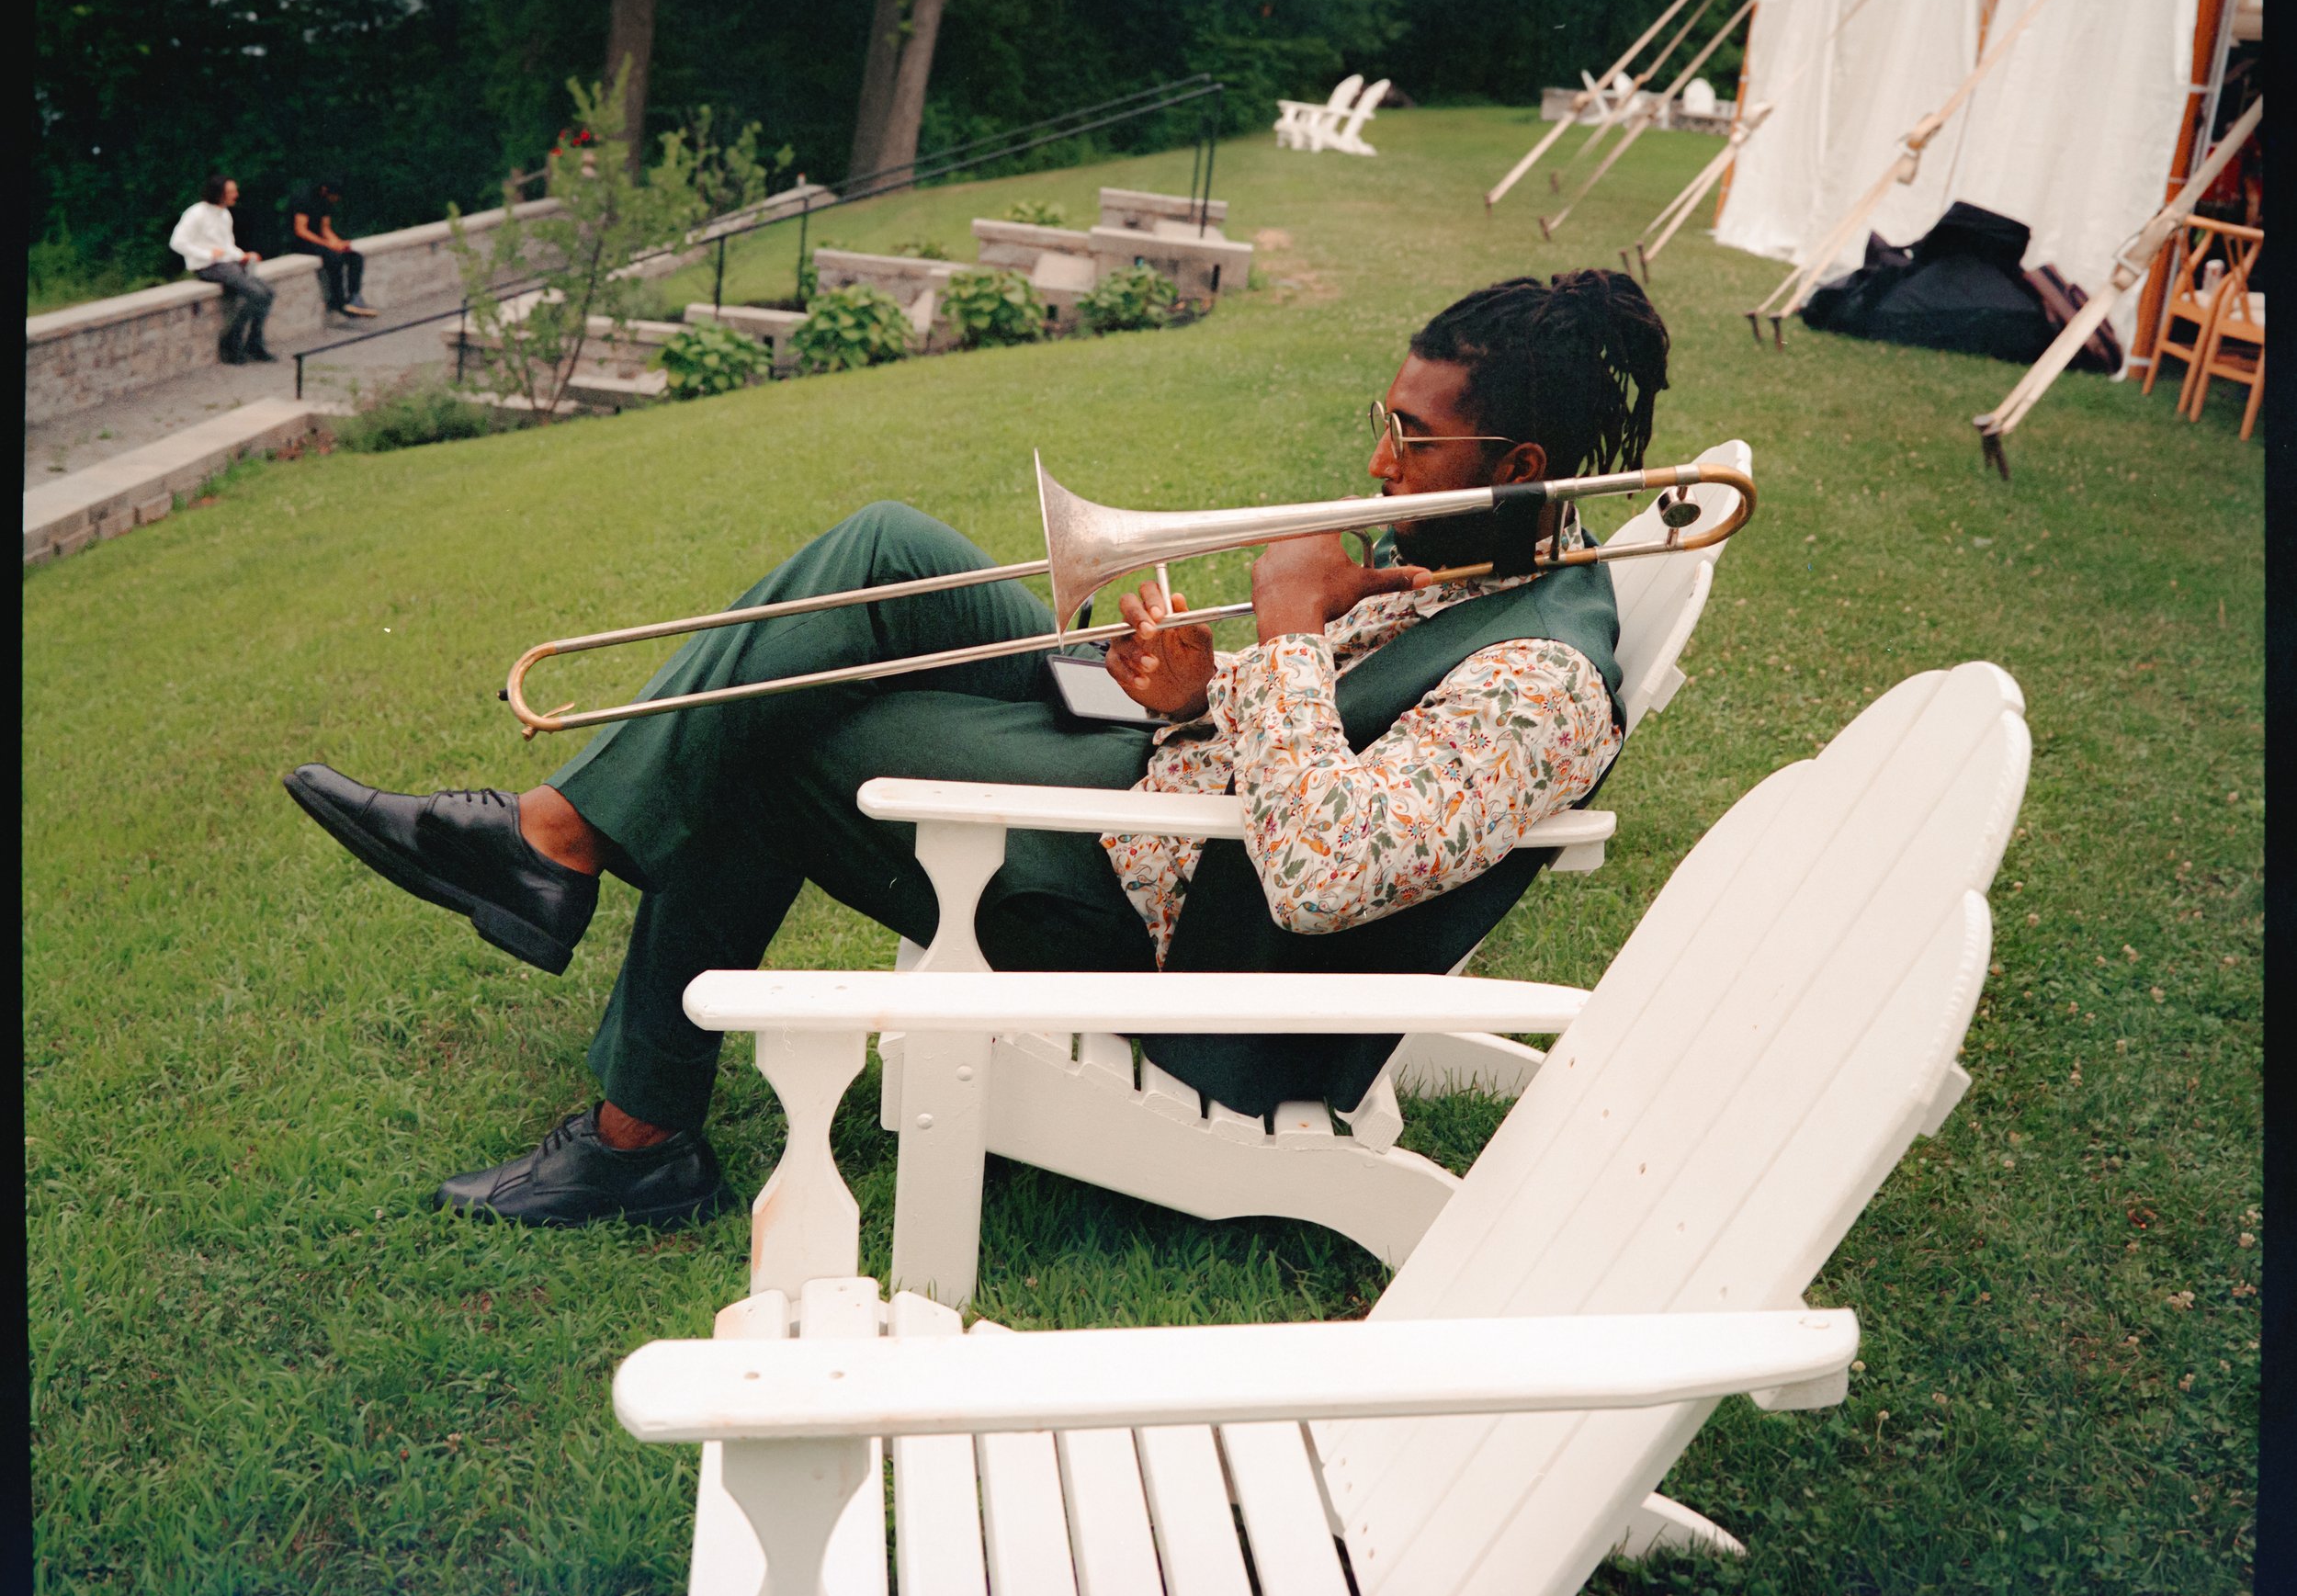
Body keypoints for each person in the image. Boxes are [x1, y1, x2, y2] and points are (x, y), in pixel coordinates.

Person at [283, 270, 1671, 1228]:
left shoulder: (1542, 681)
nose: (1376, 466)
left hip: (1150, 903)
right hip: (1150, 766)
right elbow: (1321, 739)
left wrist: (1293, 633)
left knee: (782, 724)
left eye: (1413, 442)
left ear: (1520, 464)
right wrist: (1194, 690)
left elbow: (1324, 873)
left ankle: (628, 1108)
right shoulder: (1471, 565)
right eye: (1385, 426)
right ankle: (559, 842)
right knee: (887, 549)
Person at [170, 174, 276, 363]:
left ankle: (254, 342)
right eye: (231, 192)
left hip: (226, 264)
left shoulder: (225, 214)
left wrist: (243, 256)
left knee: (267, 293)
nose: (236, 195)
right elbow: (177, 242)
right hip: (207, 266)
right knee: (256, 293)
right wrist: (207, 254)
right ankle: (231, 342)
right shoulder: (196, 213)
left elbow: (227, 246)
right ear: (218, 193)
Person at [291, 177, 376, 318]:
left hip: (319, 240)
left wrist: (338, 243)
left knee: (355, 257)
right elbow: (301, 230)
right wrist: (327, 244)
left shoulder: (326, 202)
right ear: (325, 190)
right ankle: (338, 301)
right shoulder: (304, 199)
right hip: (302, 243)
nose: (336, 199)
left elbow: (325, 229)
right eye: (335, 196)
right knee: (334, 259)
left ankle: (354, 297)